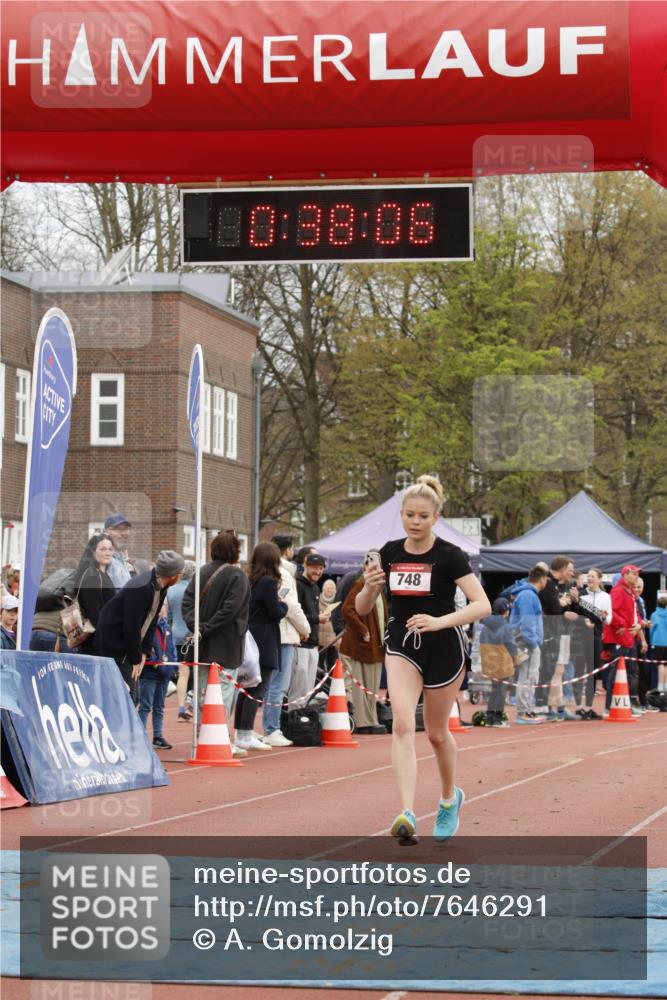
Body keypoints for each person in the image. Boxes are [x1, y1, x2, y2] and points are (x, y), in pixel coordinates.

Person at [355, 474, 491, 845]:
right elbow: (362, 607)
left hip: (444, 648)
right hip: (401, 646)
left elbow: (482, 604)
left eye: (423, 516)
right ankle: (407, 812)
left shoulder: (449, 555)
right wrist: (369, 587)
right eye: (410, 515)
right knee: (401, 723)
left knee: (435, 733)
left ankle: (449, 799)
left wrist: (438, 621)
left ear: (435, 518)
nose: (415, 522)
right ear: (401, 514)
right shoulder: (389, 552)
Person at [181, 530, 250, 756]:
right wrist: (207, 627)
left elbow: (187, 604)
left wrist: (198, 627)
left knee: (202, 690)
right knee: (224, 691)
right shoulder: (237, 576)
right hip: (227, 643)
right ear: (235, 551)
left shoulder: (200, 572)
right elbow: (231, 609)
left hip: (202, 644)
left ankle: (202, 733)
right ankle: (219, 736)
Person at [97, 550, 184, 703]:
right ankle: (119, 727)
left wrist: (144, 651)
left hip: (127, 645)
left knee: (133, 696)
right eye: (180, 572)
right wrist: (136, 658)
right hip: (115, 645)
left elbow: (151, 620)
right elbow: (131, 625)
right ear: (172, 575)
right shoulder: (142, 587)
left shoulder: (160, 586)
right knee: (128, 696)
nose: (181, 575)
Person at [234, 542, 287, 752]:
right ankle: (245, 733)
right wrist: (283, 604)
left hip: (252, 635)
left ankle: (242, 731)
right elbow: (275, 612)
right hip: (264, 638)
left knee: (246, 689)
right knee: (257, 688)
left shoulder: (251, 580)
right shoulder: (268, 582)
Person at [263, 535, 309, 746]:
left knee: (268, 684)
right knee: (278, 684)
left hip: (273, 633)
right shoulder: (284, 573)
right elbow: (291, 605)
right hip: (284, 633)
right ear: (287, 550)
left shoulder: (264, 569)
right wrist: (305, 628)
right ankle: (271, 728)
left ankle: (265, 727)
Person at [340, 557, 388, 734]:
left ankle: (370, 719)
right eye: (371, 565)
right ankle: (362, 721)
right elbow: (347, 609)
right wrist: (362, 630)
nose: (375, 568)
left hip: (375, 645)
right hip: (360, 645)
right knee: (360, 685)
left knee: (371, 686)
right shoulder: (361, 584)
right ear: (364, 567)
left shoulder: (380, 588)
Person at [602, 565, 643, 716]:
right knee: (616, 671)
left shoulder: (631, 592)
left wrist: (638, 624)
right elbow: (610, 611)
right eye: (634, 574)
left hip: (629, 638)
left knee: (629, 673)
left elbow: (635, 612)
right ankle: (608, 706)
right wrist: (623, 626)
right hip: (620, 637)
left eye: (638, 574)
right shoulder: (618, 591)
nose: (636, 576)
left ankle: (625, 704)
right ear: (625, 575)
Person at [509, 565, 548, 723]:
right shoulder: (528, 595)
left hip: (524, 641)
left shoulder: (526, 594)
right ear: (542, 579)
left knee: (527, 676)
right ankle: (524, 712)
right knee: (527, 677)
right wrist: (533, 643)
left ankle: (526, 710)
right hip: (526, 642)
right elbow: (526, 623)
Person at [139, 600, 178, 749]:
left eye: (165, 606)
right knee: (145, 706)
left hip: (164, 674)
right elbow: (146, 647)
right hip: (150, 673)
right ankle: (140, 735)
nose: (163, 609)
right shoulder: (147, 626)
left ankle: (158, 736)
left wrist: (172, 666)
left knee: (159, 707)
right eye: (160, 605)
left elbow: (172, 648)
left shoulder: (166, 627)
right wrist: (154, 661)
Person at [289, 552, 327, 704]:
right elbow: (295, 613)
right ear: (305, 565)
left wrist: (319, 617)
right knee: (298, 685)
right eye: (314, 568)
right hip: (300, 643)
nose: (318, 572)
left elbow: (310, 613)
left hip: (313, 643)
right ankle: (294, 719)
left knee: (308, 687)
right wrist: (317, 618)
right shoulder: (297, 584)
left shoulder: (316, 588)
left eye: (320, 568)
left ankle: (302, 718)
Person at [71, 533, 116, 655]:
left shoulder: (103, 575)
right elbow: (96, 614)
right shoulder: (92, 577)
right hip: (95, 643)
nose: (108, 553)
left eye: (110, 549)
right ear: (93, 552)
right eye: (103, 549)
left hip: (101, 639)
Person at [478, 597, 518, 727]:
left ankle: (489, 716)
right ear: (505, 611)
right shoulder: (506, 627)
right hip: (502, 662)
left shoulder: (484, 626)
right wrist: (515, 660)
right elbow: (511, 646)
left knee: (494, 689)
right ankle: (497, 717)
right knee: (501, 690)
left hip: (489, 661)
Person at [167, 560, 196, 722]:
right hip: (190, 635)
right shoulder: (195, 590)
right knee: (196, 673)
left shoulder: (171, 590)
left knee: (182, 673)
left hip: (175, 634)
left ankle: (180, 707)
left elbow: (170, 615)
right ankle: (191, 706)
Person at [103, 513, 135, 589]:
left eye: (126, 529)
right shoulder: (103, 558)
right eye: (117, 529)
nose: (123, 533)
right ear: (106, 532)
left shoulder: (123, 559)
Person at [649, 596, 667, 693]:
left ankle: (660, 687)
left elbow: (651, 629)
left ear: (657, 604)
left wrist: (651, 641)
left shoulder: (654, 615)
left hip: (657, 642)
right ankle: (666, 686)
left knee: (660, 664)